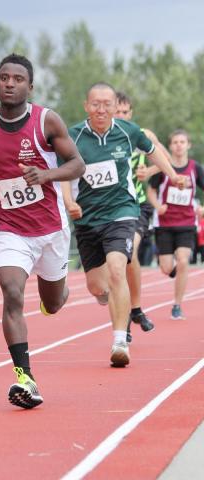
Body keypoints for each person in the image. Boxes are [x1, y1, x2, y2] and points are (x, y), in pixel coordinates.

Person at [0, 53, 85, 409]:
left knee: (53, 301)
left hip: (50, 227)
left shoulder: (47, 121)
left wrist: (46, 175)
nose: (10, 83)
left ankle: (59, 293)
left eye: (18, 79)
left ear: (29, 86)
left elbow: (78, 164)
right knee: (12, 293)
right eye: (4, 77)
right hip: (9, 227)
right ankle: (25, 378)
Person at [62, 82, 185, 368]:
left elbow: (154, 150)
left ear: (115, 106)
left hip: (122, 211)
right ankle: (108, 296)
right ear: (86, 106)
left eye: (108, 104)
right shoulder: (73, 136)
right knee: (96, 286)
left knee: (119, 267)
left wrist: (172, 174)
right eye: (96, 104)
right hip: (88, 218)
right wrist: (69, 202)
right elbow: (64, 174)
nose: (102, 109)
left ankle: (120, 340)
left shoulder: (127, 131)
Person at [115, 92, 172, 342]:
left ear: (131, 114)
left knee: (129, 254)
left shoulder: (142, 134)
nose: (121, 116)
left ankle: (131, 313)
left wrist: (148, 171)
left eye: (125, 112)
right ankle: (131, 311)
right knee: (113, 269)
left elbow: (165, 159)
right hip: (111, 208)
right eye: (117, 112)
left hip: (137, 206)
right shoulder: (101, 138)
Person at [148, 129, 204, 319]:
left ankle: (177, 305)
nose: (179, 145)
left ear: (188, 145)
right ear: (170, 146)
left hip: (187, 223)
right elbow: (151, 191)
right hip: (164, 223)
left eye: (182, 142)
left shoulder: (195, 168)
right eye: (175, 142)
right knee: (166, 267)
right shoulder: (164, 167)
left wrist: (202, 208)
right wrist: (157, 205)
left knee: (182, 261)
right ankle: (176, 272)